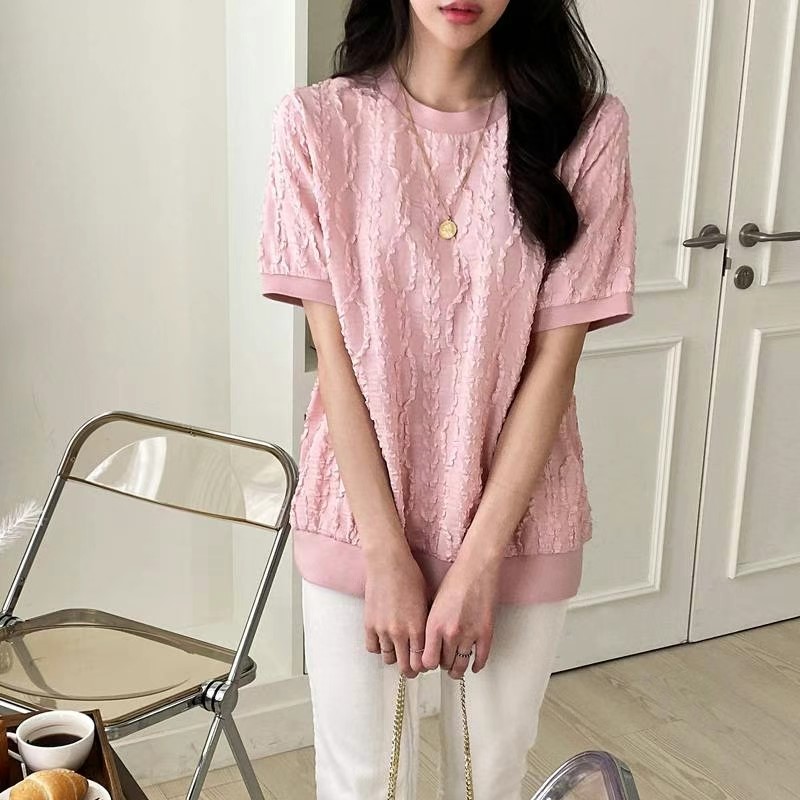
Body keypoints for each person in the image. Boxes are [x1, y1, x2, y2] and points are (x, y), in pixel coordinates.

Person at [258, 1, 636, 797]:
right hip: (357, 512)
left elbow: (555, 363)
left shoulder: (585, 130)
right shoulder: (317, 125)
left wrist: (478, 562)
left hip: (517, 522)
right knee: (363, 783)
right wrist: (383, 550)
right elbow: (335, 359)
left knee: (487, 778)